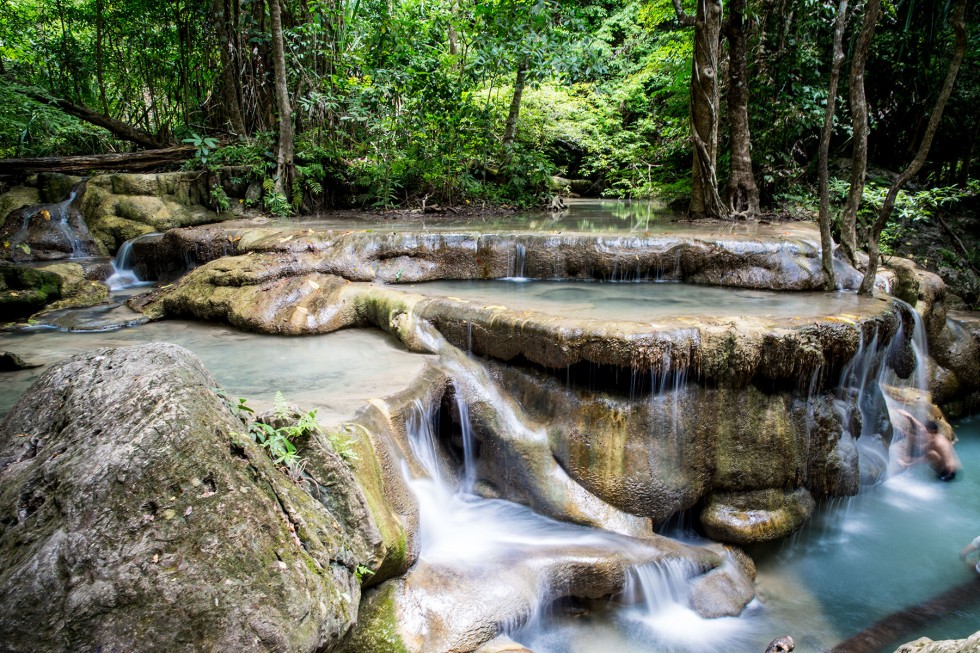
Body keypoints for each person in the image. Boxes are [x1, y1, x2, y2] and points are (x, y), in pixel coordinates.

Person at [895, 409, 961, 481]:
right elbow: (922, 430)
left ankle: (907, 465)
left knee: (931, 454)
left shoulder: (935, 442)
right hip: (954, 470)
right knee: (933, 454)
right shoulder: (941, 437)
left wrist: (905, 434)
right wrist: (909, 417)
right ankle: (908, 461)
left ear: (933, 431)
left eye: (927, 431)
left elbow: (920, 446)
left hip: (945, 474)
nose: (925, 432)